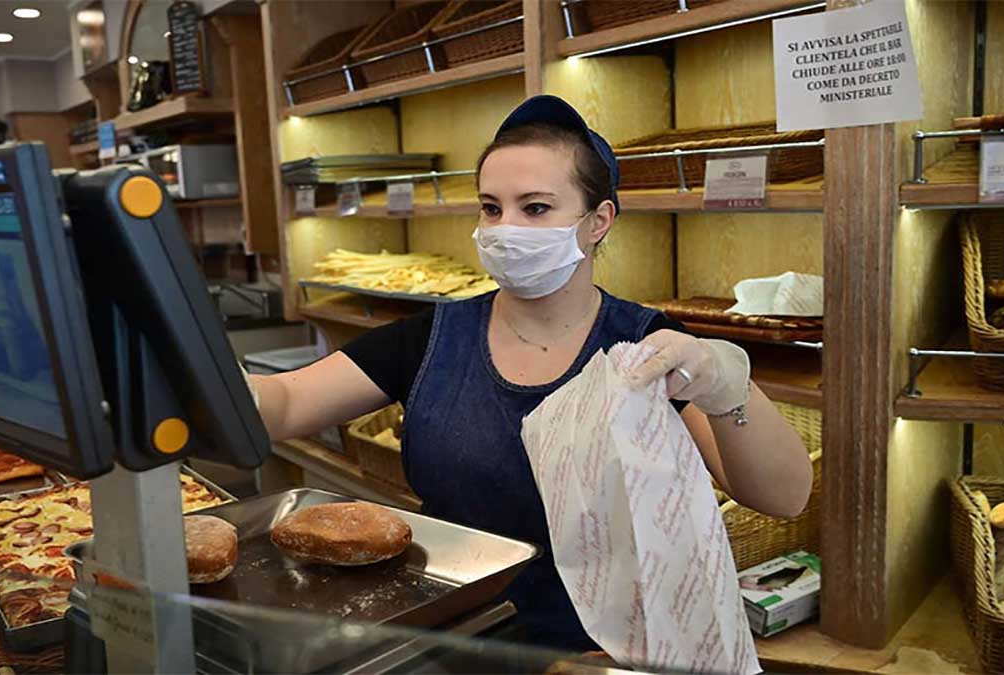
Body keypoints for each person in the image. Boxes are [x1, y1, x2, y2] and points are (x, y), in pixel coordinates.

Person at [249, 95, 813, 652]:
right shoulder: (433, 337)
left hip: (597, 647)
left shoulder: (647, 347)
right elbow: (286, 403)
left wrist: (727, 387)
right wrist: (189, 379)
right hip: (452, 634)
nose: (504, 228)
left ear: (599, 221)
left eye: (535, 208)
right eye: (491, 208)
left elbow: (783, 495)